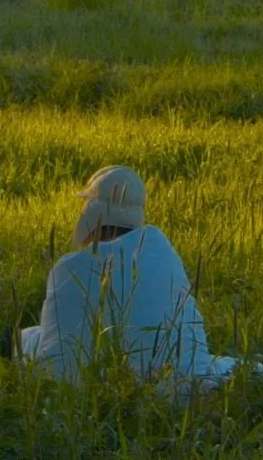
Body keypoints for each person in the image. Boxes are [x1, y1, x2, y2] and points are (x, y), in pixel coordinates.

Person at [19, 165, 237, 389]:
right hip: (183, 383)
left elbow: (59, 362)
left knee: (25, 341)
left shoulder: (70, 269)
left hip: (111, 390)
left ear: (90, 214)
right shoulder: (163, 253)